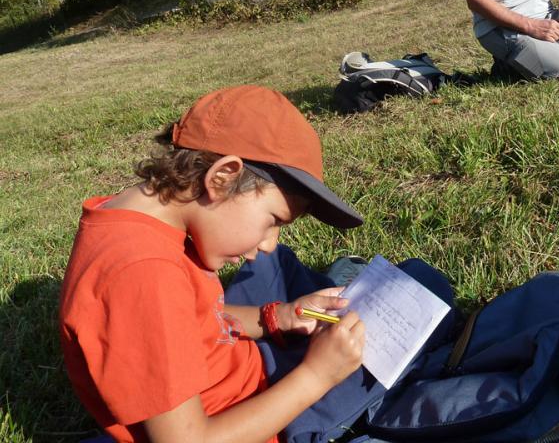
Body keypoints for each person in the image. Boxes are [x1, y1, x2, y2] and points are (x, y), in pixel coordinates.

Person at [59, 85, 454, 443]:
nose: (267, 242)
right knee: (425, 284)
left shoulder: (140, 223)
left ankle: (338, 288)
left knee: (278, 266)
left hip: (248, 367)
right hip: (271, 418)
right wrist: (318, 375)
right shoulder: (140, 273)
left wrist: (277, 317)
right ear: (222, 177)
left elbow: (192, 322)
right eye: (274, 221)